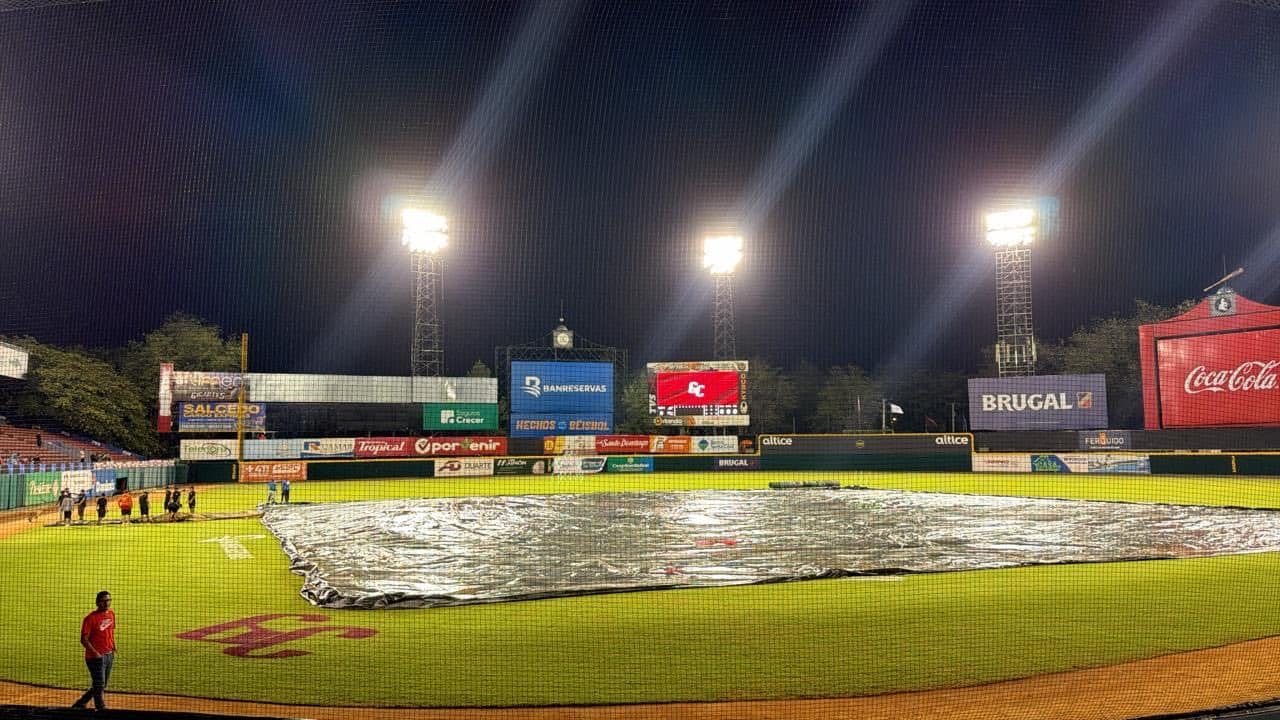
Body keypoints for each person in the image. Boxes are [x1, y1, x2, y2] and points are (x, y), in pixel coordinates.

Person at [72, 590, 115, 711]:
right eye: (104, 601)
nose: (106, 603)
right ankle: (100, 709)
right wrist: (96, 653)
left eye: (108, 600)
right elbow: (84, 639)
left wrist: (113, 646)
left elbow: (110, 632)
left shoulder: (111, 614)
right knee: (99, 684)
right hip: (95, 658)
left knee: (101, 684)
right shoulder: (90, 619)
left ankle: (81, 703)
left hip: (109, 654)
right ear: (97, 602)